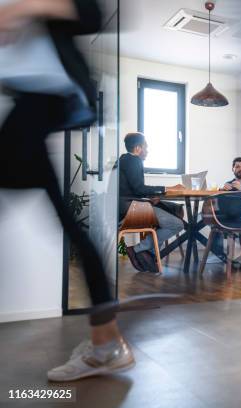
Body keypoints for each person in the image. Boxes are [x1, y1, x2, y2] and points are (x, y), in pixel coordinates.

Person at [0, 0, 134, 382]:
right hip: (29, 98)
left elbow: (91, 13)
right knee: (68, 222)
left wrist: (19, 10)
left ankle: (107, 343)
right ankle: (106, 341)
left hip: (45, 97)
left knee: (66, 221)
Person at [119, 132, 184, 273]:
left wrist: (149, 198)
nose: (147, 151)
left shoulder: (123, 160)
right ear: (138, 148)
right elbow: (139, 188)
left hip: (124, 206)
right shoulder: (133, 160)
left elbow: (133, 189)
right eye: (145, 147)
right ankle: (137, 250)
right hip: (130, 209)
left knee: (169, 212)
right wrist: (168, 188)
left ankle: (150, 255)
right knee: (177, 224)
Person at [209, 157, 241, 263]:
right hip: (230, 214)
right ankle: (220, 255)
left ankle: (239, 255)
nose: (240, 169)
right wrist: (222, 191)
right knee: (211, 216)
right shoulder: (228, 184)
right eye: (237, 167)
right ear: (232, 169)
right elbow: (220, 203)